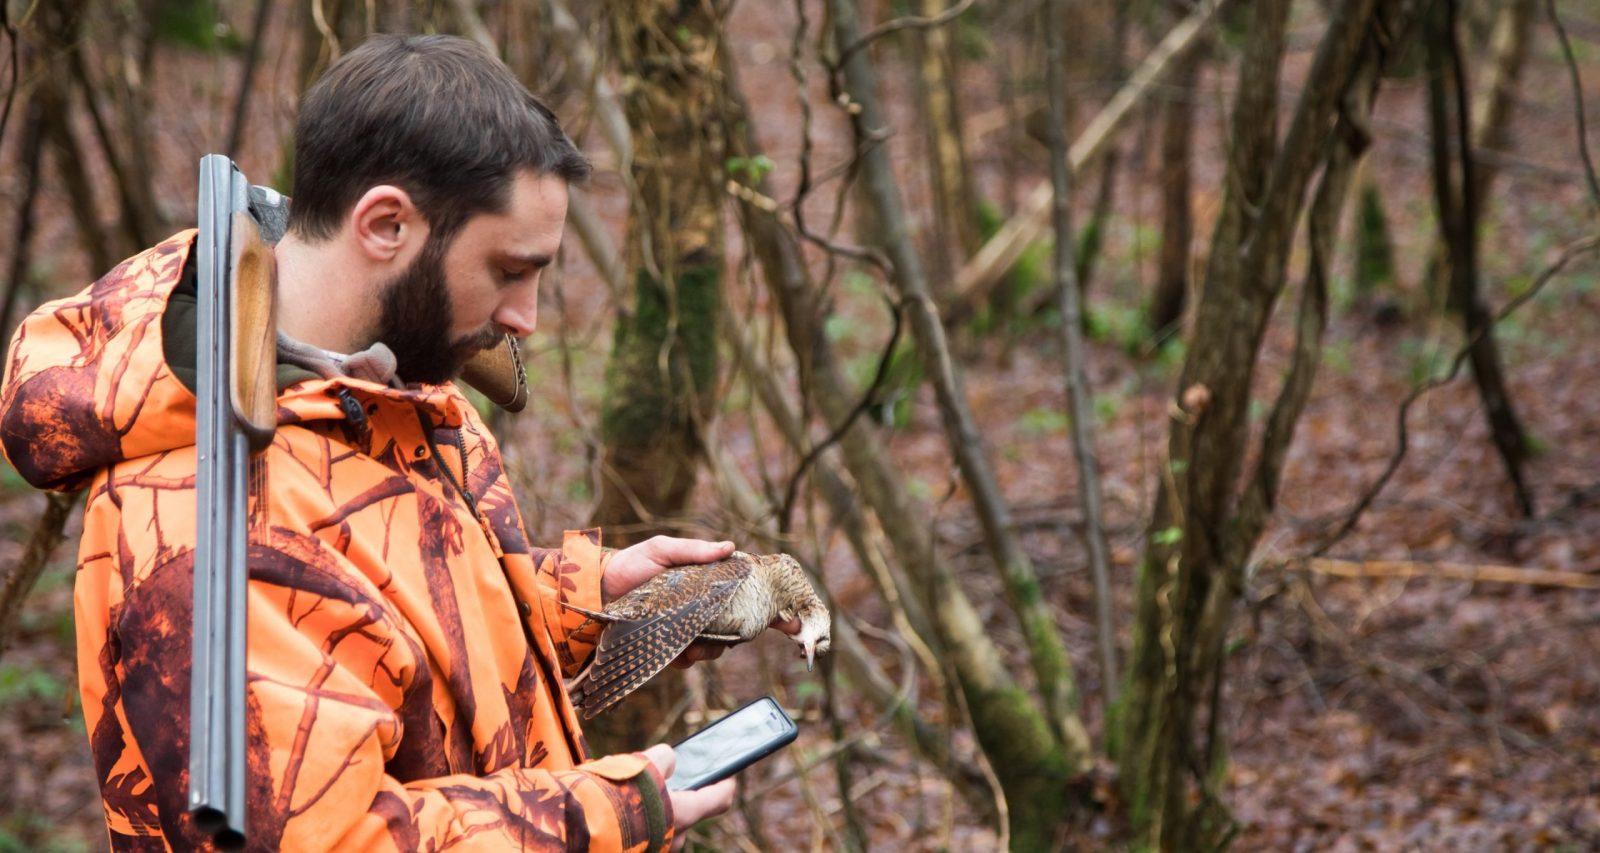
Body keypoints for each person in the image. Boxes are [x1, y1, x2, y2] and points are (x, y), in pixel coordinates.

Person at [0, 33, 778, 851]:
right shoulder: (210, 528)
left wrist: (588, 596)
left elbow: (386, 623)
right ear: (385, 223)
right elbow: (331, 839)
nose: (527, 318)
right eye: (510, 269)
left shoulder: (391, 393)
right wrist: (610, 812)